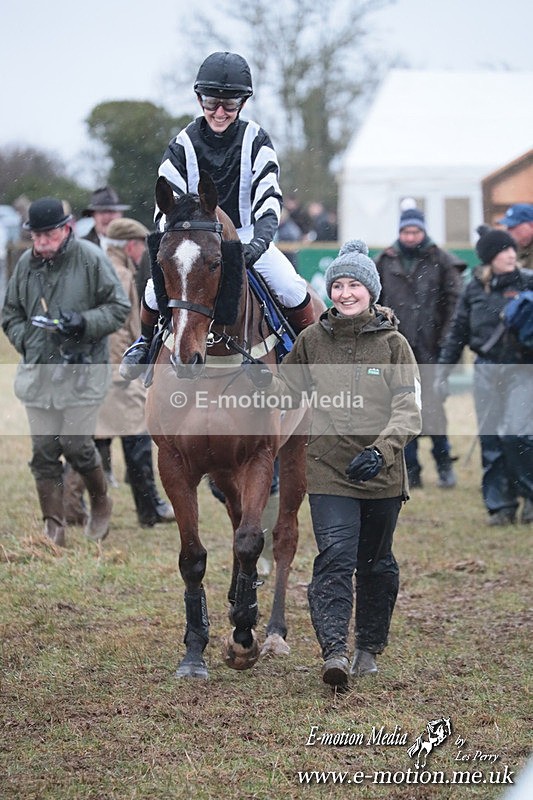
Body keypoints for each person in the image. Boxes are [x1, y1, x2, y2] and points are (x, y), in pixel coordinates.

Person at [268, 239, 422, 690]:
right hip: (328, 470)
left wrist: (380, 452)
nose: (345, 293)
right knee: (335, 557)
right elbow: (287, 393)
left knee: (375, 563)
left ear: (370, 291)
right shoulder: (311, 340)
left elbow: (409, 410)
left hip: (381, 473)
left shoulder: (394, 345)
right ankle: (334, 651)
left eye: (355, 285)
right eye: (338, 285)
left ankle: (367, 647)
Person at [120, 51, 314, 379]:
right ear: (200, 100)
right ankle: (145, 343)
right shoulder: (182, 145)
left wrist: (257, 245)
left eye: (230, 104)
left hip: (248, 237)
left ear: (243, 103)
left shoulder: (257, 140)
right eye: (212, 102)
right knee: (153, 292)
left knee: (291, 287)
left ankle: (309, 353)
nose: (220, 112)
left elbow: (269, 201)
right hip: (194, 239)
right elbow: (165, 208)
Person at [1, 197, 130, 546]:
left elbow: (119, 307)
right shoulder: (25, 265)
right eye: (36, 236)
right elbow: (10, 314)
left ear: (66, 229)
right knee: (43, 451)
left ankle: (101, 501)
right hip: (39, 373)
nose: (42, 242)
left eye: (49, 235)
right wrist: (30, 341)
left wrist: (83, 323)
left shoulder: (91, 259)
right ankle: (53, 524)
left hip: (83, 371)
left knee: (76, 445)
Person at [436, 228, 533, 526]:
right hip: (486, 370)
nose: (511, 255)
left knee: (518, 434)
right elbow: (458, 331)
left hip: (522, 369)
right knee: (491, 441)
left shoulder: (528, 282)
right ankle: (500, 506)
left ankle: (529, 495)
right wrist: (443, 370)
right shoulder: (474, 289)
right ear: (490, 257)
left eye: (512, 249)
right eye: (504, 251)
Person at [375, 207, 465, 489]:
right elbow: (375, 301)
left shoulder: (442, 260)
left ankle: (444, 464)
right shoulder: (385, 261)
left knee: (434, 410)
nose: (411, 236)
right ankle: (411, 469)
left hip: (431, 349)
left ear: (423, 231)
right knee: (401, 409)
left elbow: (455, 305)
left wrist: (446, 343)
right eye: (406, 231)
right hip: (397, 349)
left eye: (415, 231)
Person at [95, 217, 174, 527]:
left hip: (101, 369)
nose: (143, 252)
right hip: (116, 371)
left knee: (93, 441)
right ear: (130, 245)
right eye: (141, 245)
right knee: (137, 438)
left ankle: (76, 508)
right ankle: (149, 508)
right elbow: (117, 331)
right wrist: (123, 371)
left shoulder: (105, 267)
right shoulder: (120, 273)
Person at [497, 203, 533, 272]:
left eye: (513, 226)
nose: (508, 230)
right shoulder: (513, 247)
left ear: (531, 225)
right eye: (508, 226)